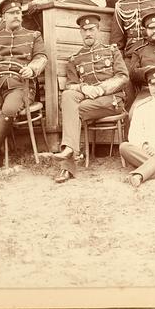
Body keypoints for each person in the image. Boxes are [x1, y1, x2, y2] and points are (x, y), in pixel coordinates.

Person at [51, 14, 129, 183]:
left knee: (72, 111)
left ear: (98, 30)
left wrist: (101, 89)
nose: (88, 33)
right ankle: (70, 153)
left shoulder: (112, 51)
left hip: (112, 101)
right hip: (88, 104)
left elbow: (123, 77)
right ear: (80, 32)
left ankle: (68, 159)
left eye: (91, 29)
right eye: (84, 30)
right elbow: (71, 86)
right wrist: (83, 88)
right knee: (68, 96)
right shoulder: (75, 59)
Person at [0, 0, 48, 174]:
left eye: (18, 13)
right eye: (12, 13)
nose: (17, 16)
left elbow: (41, 58)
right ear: (3, 17)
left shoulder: (34, 35)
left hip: (21, 86)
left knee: (8, 111)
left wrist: (32, 68)